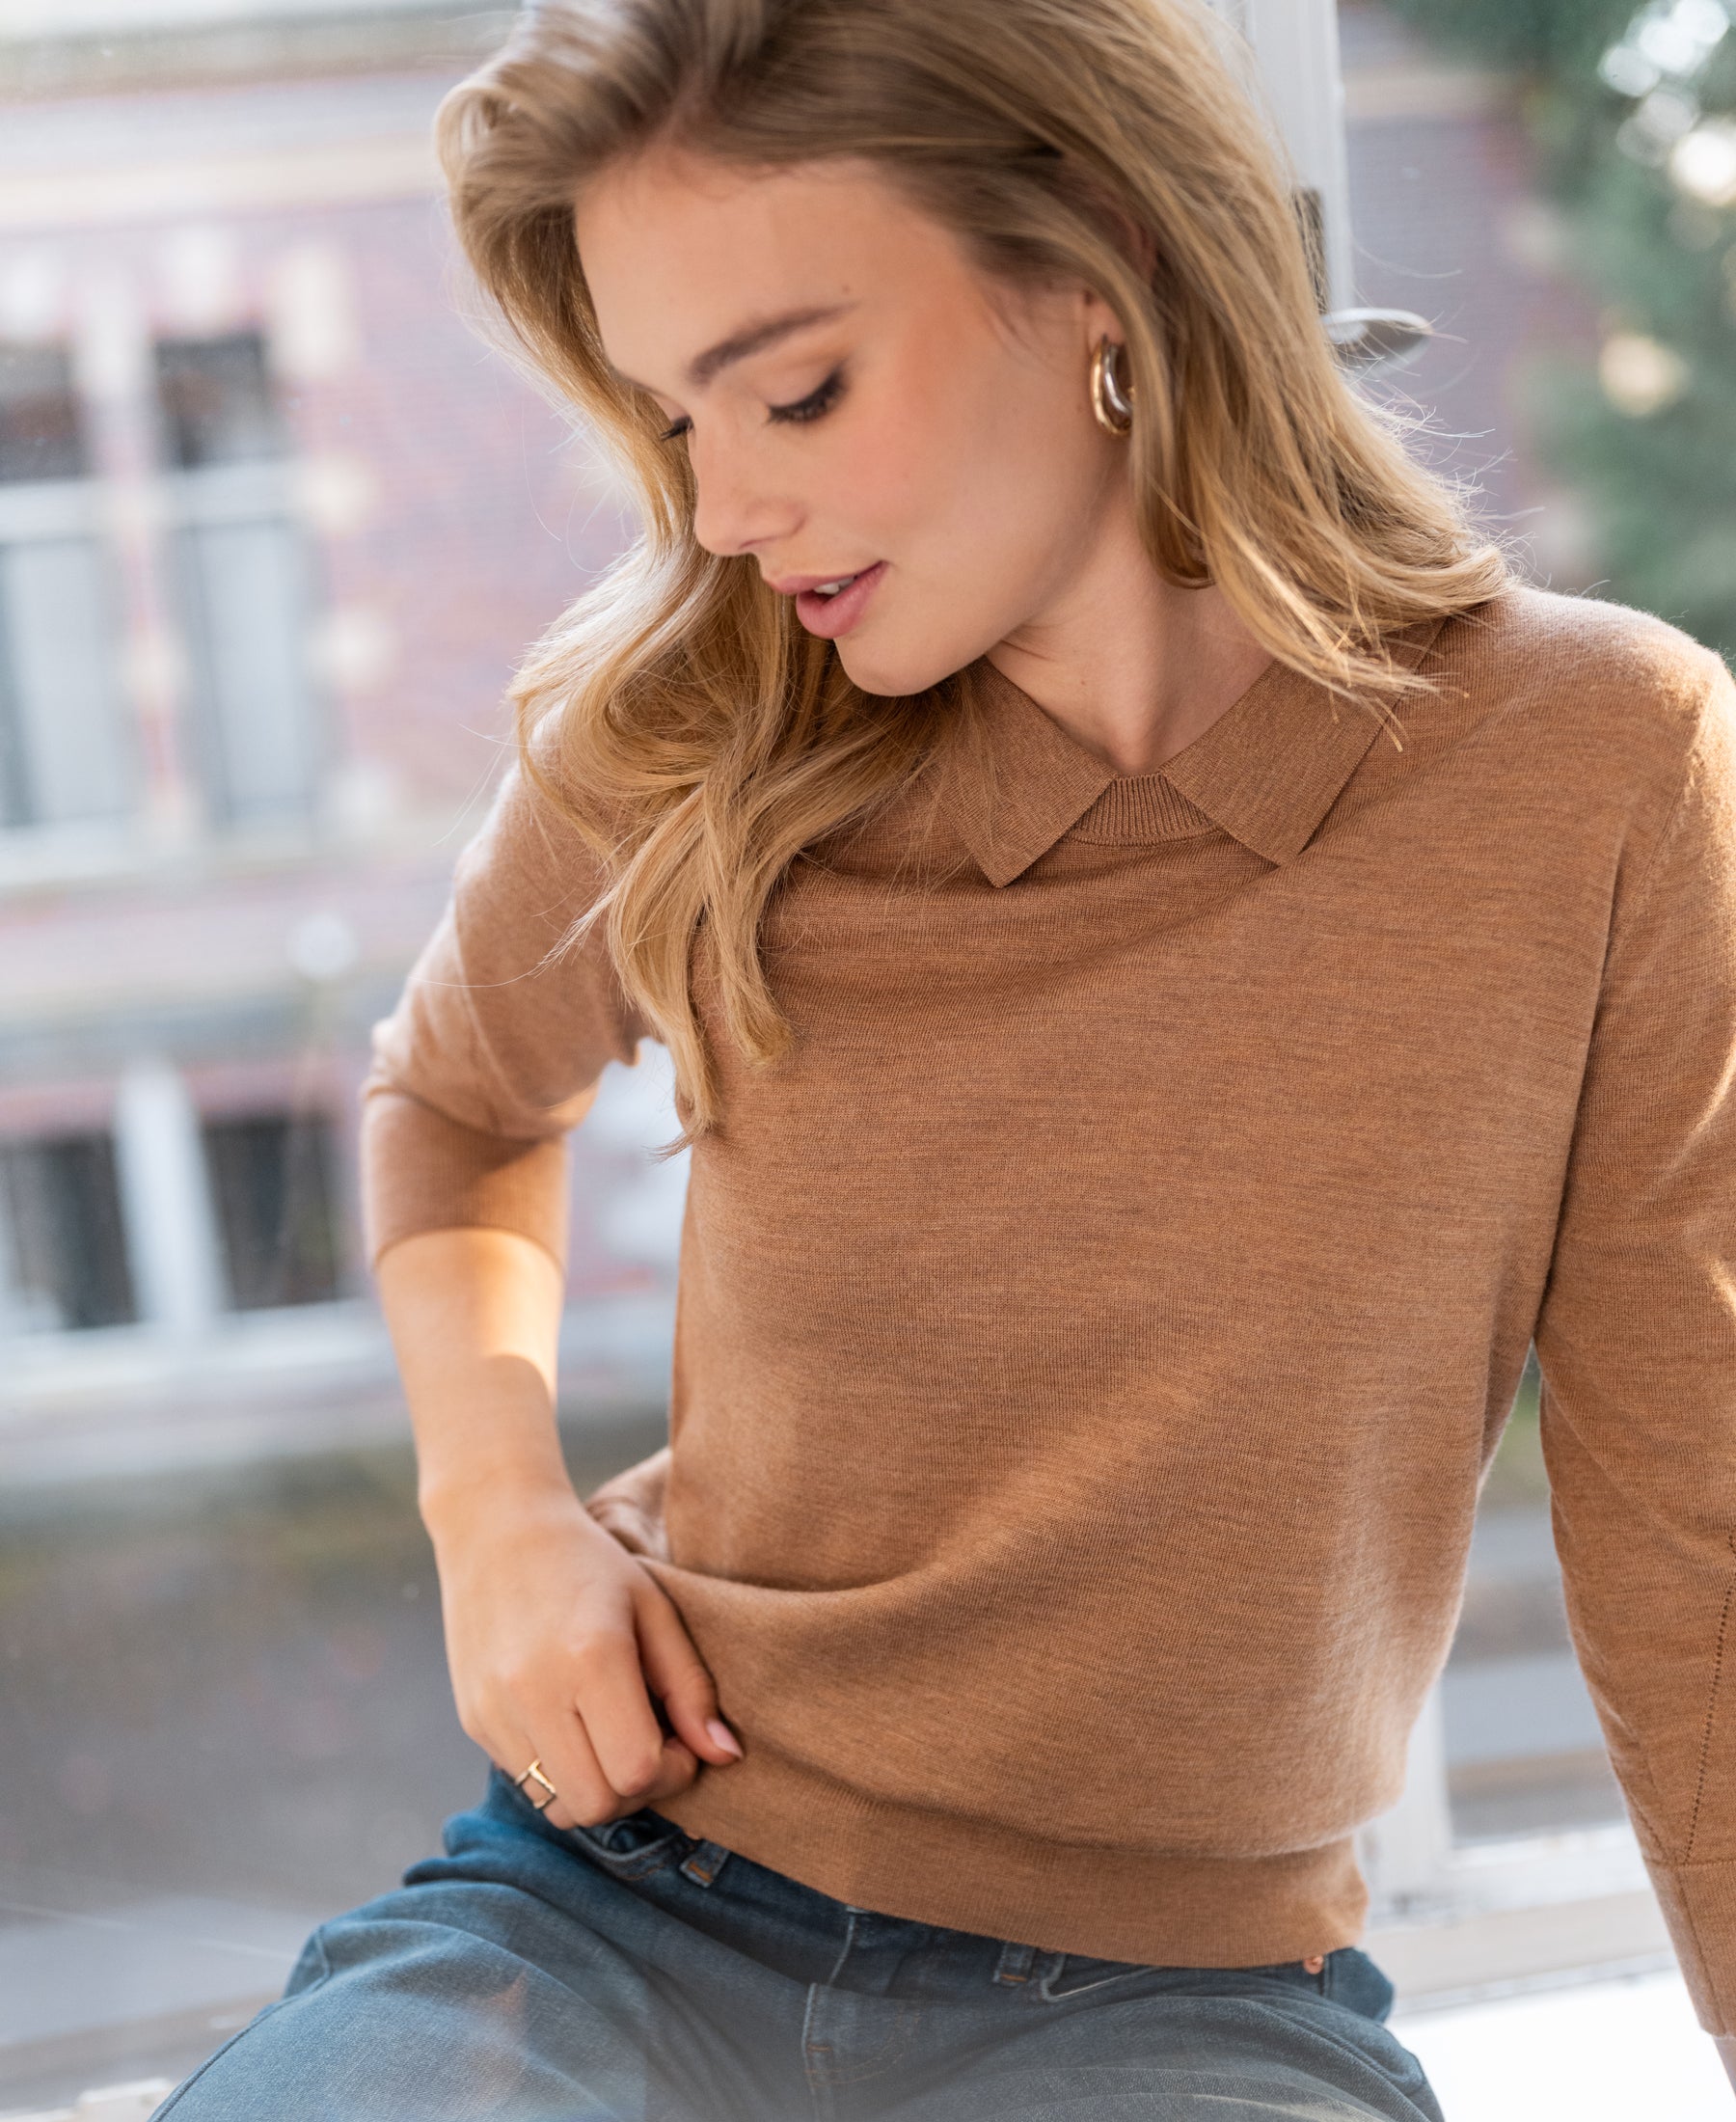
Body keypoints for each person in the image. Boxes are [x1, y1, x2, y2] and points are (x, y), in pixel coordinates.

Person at [153, 0, 1736, 2115]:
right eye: (677, 418)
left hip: (1187, 2007)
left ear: (1099, 261)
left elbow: (1694, 1545)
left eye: (796, 389)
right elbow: (451, 1100)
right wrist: (498, 1521)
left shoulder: (1597, 768)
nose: (726, 508)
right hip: (618, 1900)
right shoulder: (700, 724)